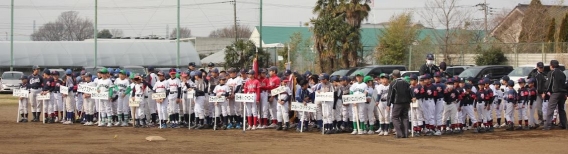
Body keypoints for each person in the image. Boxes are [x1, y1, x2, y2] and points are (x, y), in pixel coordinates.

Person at [387, 70, 411, 138]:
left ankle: (400, 133)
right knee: (405, 117)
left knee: (394, 117)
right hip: (406, 103)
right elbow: (410, 92)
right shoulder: (406, 82)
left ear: (393, 76)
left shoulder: (393, 83)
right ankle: (406, 134)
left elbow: (390, 95)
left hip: (397, 103)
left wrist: (388, 104)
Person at [543, 60, 567, 130]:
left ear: (552, 66)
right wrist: (566, 93)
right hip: (562, 93)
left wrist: (545, 91)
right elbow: (565, 84)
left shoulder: (551, 72)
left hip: (555, 93)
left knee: (550, 109)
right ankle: (564, 125)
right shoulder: (562, 73)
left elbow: (548, 83)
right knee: (561, 109)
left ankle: (547, 125)